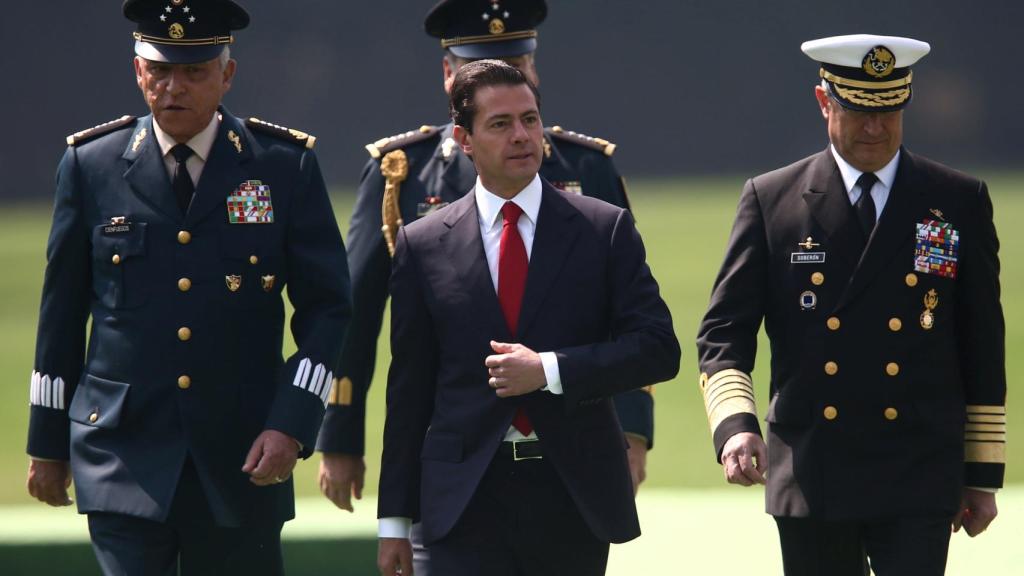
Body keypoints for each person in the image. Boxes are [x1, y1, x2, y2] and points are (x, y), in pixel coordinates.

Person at [24, 1, 351, 573]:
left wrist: (292, 424)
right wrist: (47, 443)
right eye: (160, 70)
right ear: (138, 72)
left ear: (227, 75)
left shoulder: (281, 167)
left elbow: (328, 311)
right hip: (119, 453)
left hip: (242, 454)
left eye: (195, 72)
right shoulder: (90, 166)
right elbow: (61, 314)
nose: (175, 87)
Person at [316, 0, 655, 529]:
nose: (505, 79)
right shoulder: (400, 174)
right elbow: (359, 315)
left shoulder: (588, 169)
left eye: (518, 67)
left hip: (568, 451)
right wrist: (340, 432)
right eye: (482, 67)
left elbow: (628, 321)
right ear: (449, 76)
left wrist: (631, 431)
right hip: (454, 458)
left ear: (535, 72)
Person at [696, 34, 1005, 575]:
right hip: (814, 469)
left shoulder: (958, 200)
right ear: (823, 103)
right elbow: (724, 332)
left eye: (889, 111)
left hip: (918, 469)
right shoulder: (772, 200)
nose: (874, 128)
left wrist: (980, 474)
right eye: (858, 110)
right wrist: (735, 425)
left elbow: (981, 342)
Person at [376, 60, 679, 576]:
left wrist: (550, 369)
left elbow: (657, 348)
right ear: (463, 139)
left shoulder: (603, 229)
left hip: (570, 495)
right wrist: (393, 523)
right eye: (500, 124)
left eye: (530, 120)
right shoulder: (422, 243)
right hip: (458, 500)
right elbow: (409, 389)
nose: (522, 136)